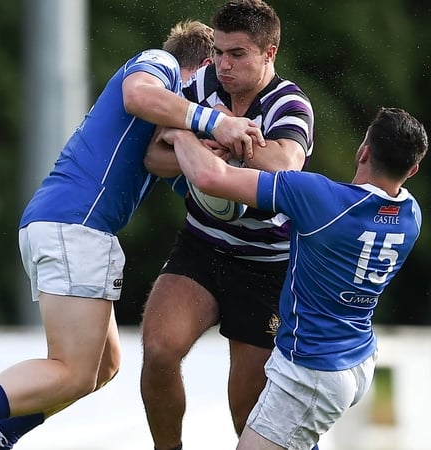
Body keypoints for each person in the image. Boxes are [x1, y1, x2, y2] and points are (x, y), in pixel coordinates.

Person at [0, 20, 265, 450]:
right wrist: (214, 122)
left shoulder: (167, 125)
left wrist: (216, 158)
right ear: (205, 65)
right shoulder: (162, 64)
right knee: (73, 369)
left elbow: (173, 168)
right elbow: (137, 94)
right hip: (76, 226)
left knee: (103, 366)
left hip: (63, 224)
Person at [157, 106, 429, 449]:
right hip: (357, 356)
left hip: (313, 368)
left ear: (364, 152)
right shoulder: (411, 215)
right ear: (412, 169)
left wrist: (181, 133)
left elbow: (210, 178)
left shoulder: (320, 199)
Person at [139, 1, 314, 450]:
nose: (223, 65)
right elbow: (153, 156)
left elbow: (285, 165)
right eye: (218, 52)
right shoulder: (202, 84)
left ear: (269, 53)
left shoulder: (290, 104)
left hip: (265, 264)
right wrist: (193, 137)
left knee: (246, 412)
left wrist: (224, 141)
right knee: (159, 350)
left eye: (237, 54)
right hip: (201, 245)